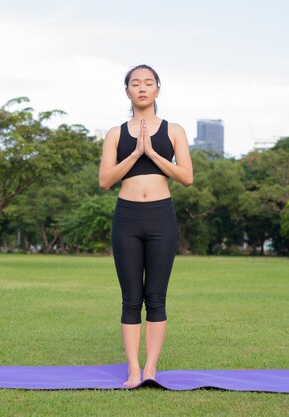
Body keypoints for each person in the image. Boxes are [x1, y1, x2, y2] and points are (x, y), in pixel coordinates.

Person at [98, 64, 193, 386]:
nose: (142, 87)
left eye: (148, 83)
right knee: (130, 298)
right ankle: (133, 369)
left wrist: (152, 152)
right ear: (127, 91)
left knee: (156, 296)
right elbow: (105, 181)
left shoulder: (174, 130)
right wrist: (135, 152)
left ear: (157, 90)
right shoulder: (115, 133)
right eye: (135, 83)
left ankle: (151, 369)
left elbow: (187, 177)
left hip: (161, 217)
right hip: (126, 217)